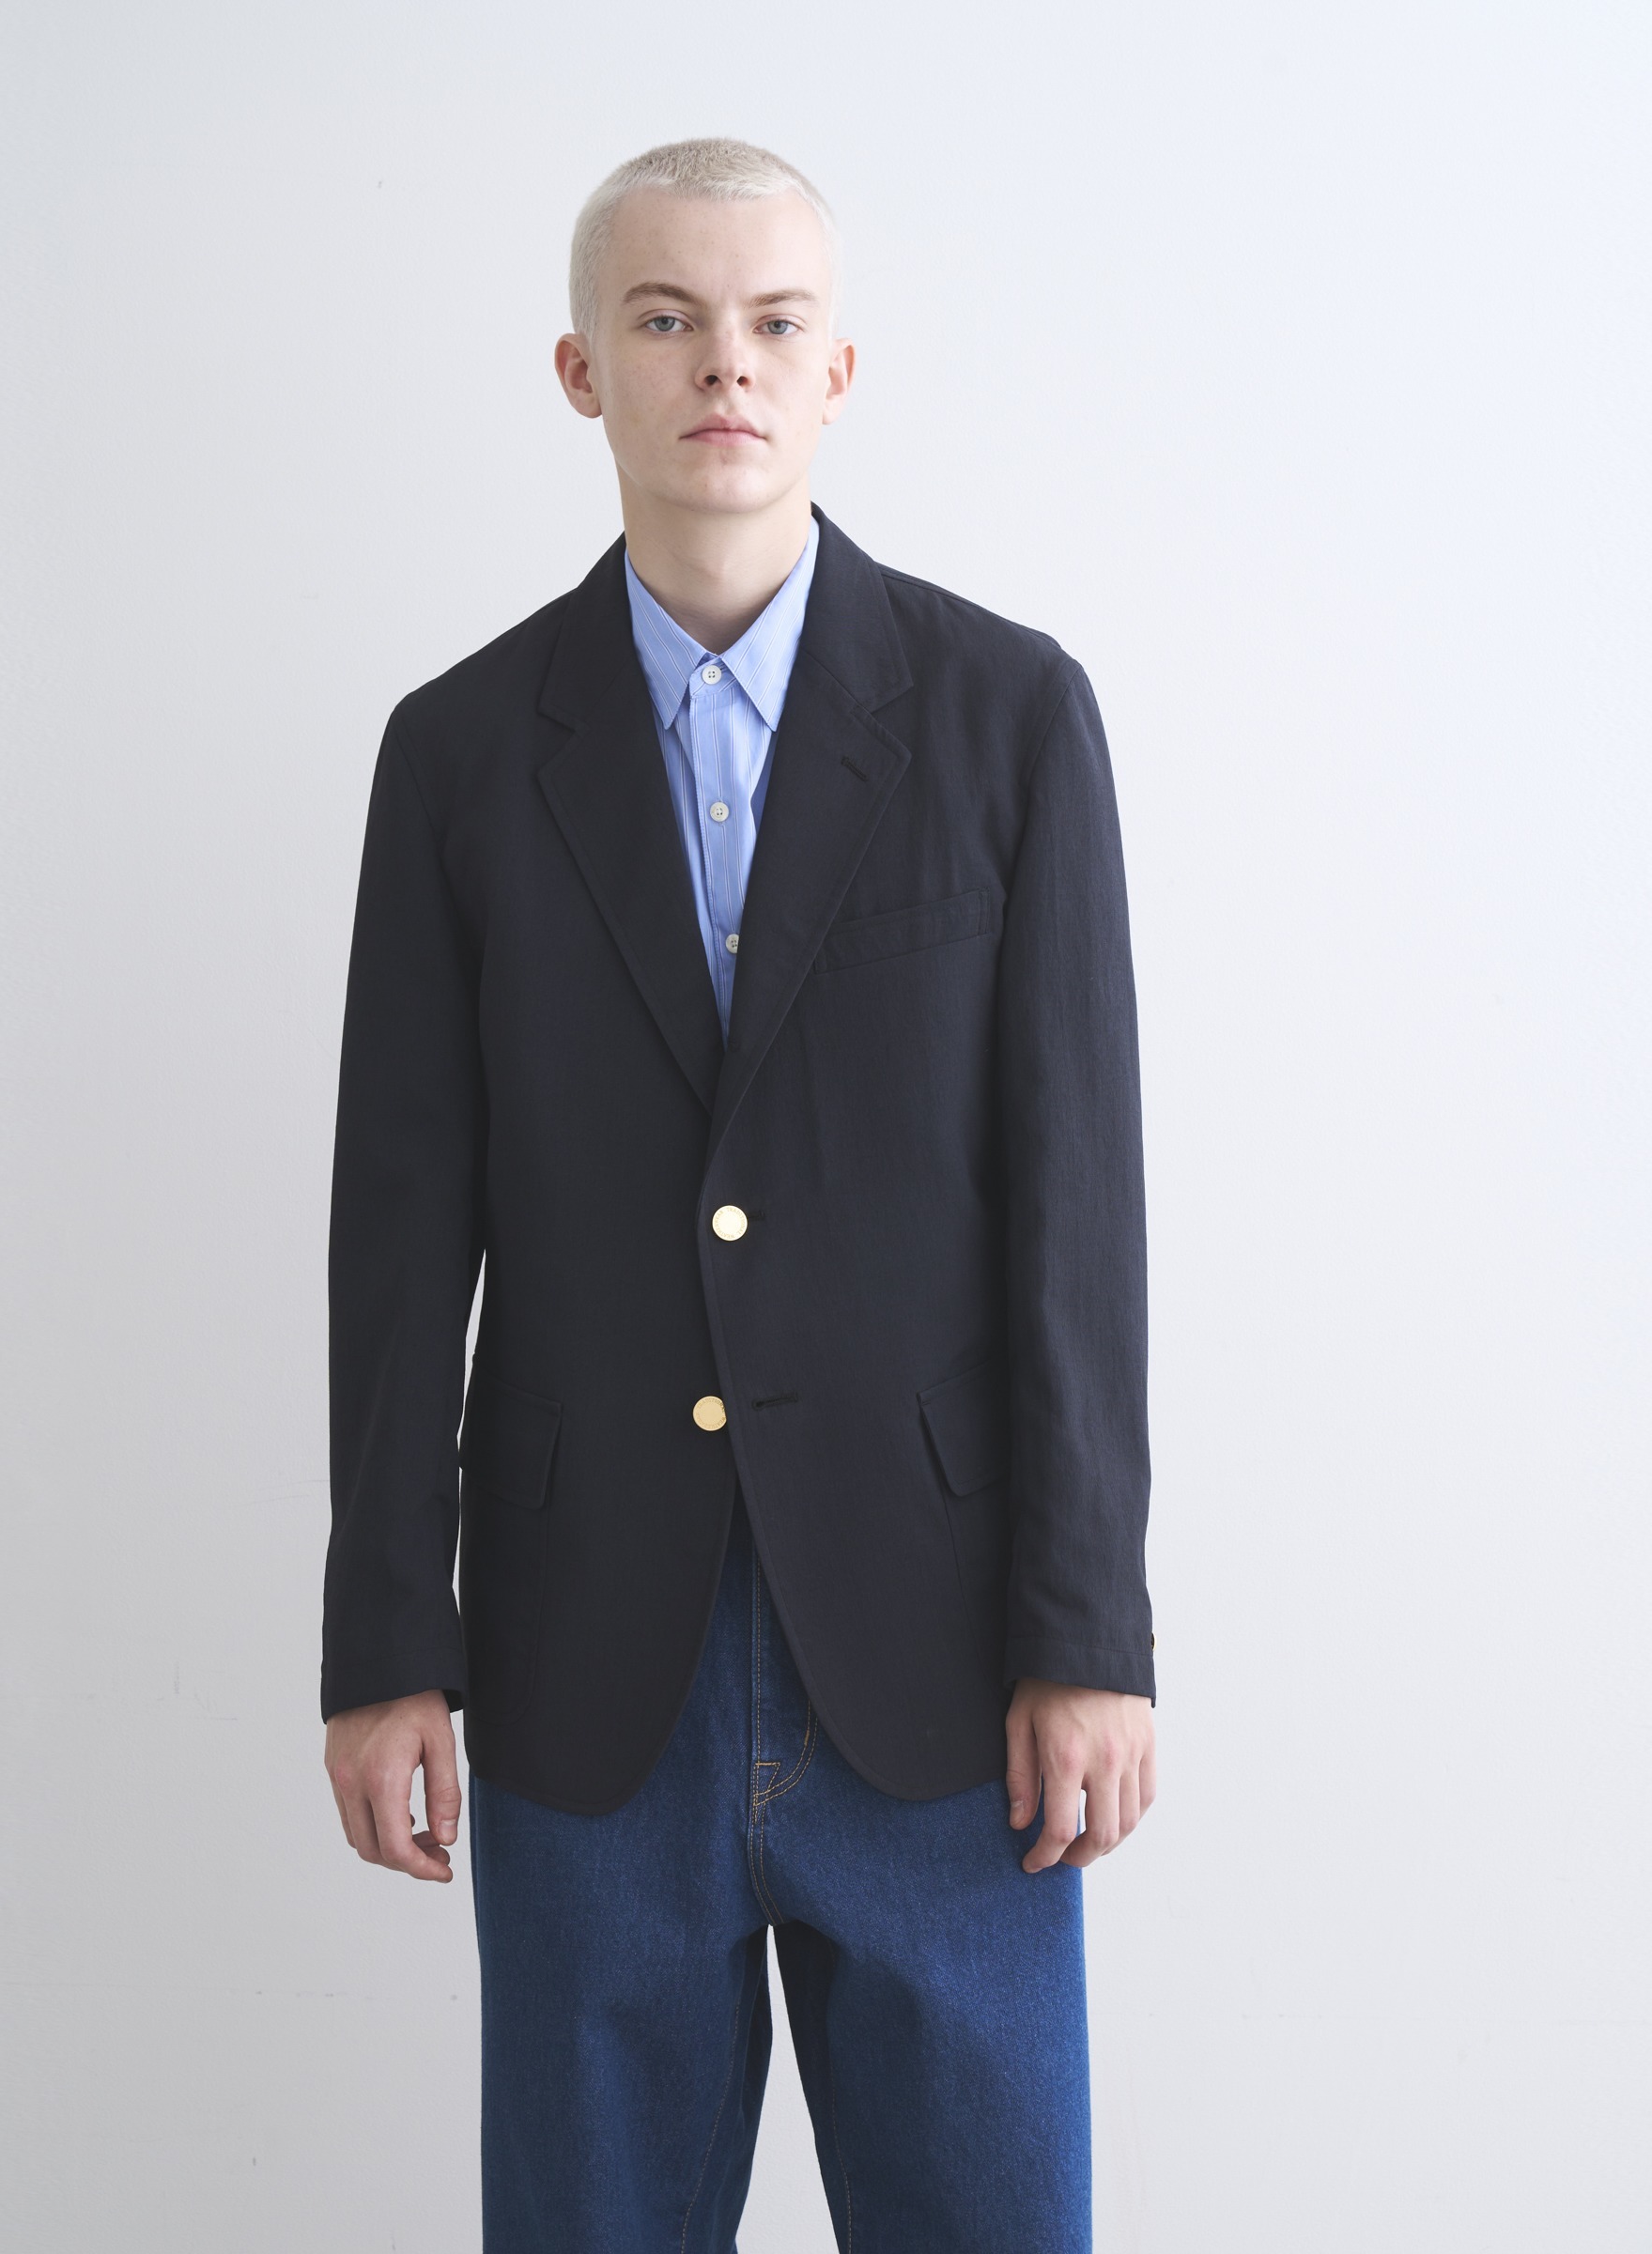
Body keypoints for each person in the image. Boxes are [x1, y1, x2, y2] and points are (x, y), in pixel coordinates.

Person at [320, 136, 1156, 2253]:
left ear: (839, 367)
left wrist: (1091, 1635)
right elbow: (401, 1234)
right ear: (581, 369)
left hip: (943, 1671)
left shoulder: (1008, 718)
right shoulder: (459, 753)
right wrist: (384, 1643)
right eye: (667, 318)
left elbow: (1076, 1218)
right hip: (590, 1663)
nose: (726, 365)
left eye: (776, 322)